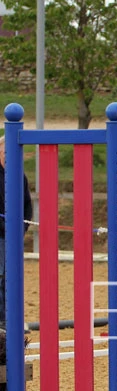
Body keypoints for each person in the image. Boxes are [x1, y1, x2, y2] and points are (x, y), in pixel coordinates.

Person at [0, 136, 34, 330]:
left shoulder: (19, 176)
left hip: (13, 236)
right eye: (6, 152)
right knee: (1, 276)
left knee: (12, 278)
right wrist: (6, 228)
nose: (9, 156)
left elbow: (27, 205)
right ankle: (2, 320)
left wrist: (21, 229)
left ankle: (11, 318)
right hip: (2, 234)